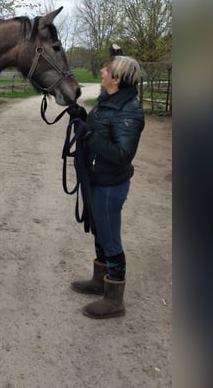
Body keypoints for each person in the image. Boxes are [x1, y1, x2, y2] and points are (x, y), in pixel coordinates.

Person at [69, 55, 145, 319]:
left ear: (117, 79)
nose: (101, 71)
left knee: (111, 239)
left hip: (111, 185)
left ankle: (114, 300)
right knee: (101, 233)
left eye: (107, 69)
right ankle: (100, 280)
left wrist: (90, 135)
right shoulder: (109, 102)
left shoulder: (129, 111)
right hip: (96, 179)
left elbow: (123, 154)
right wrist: (81, 117)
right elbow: (99, 130)